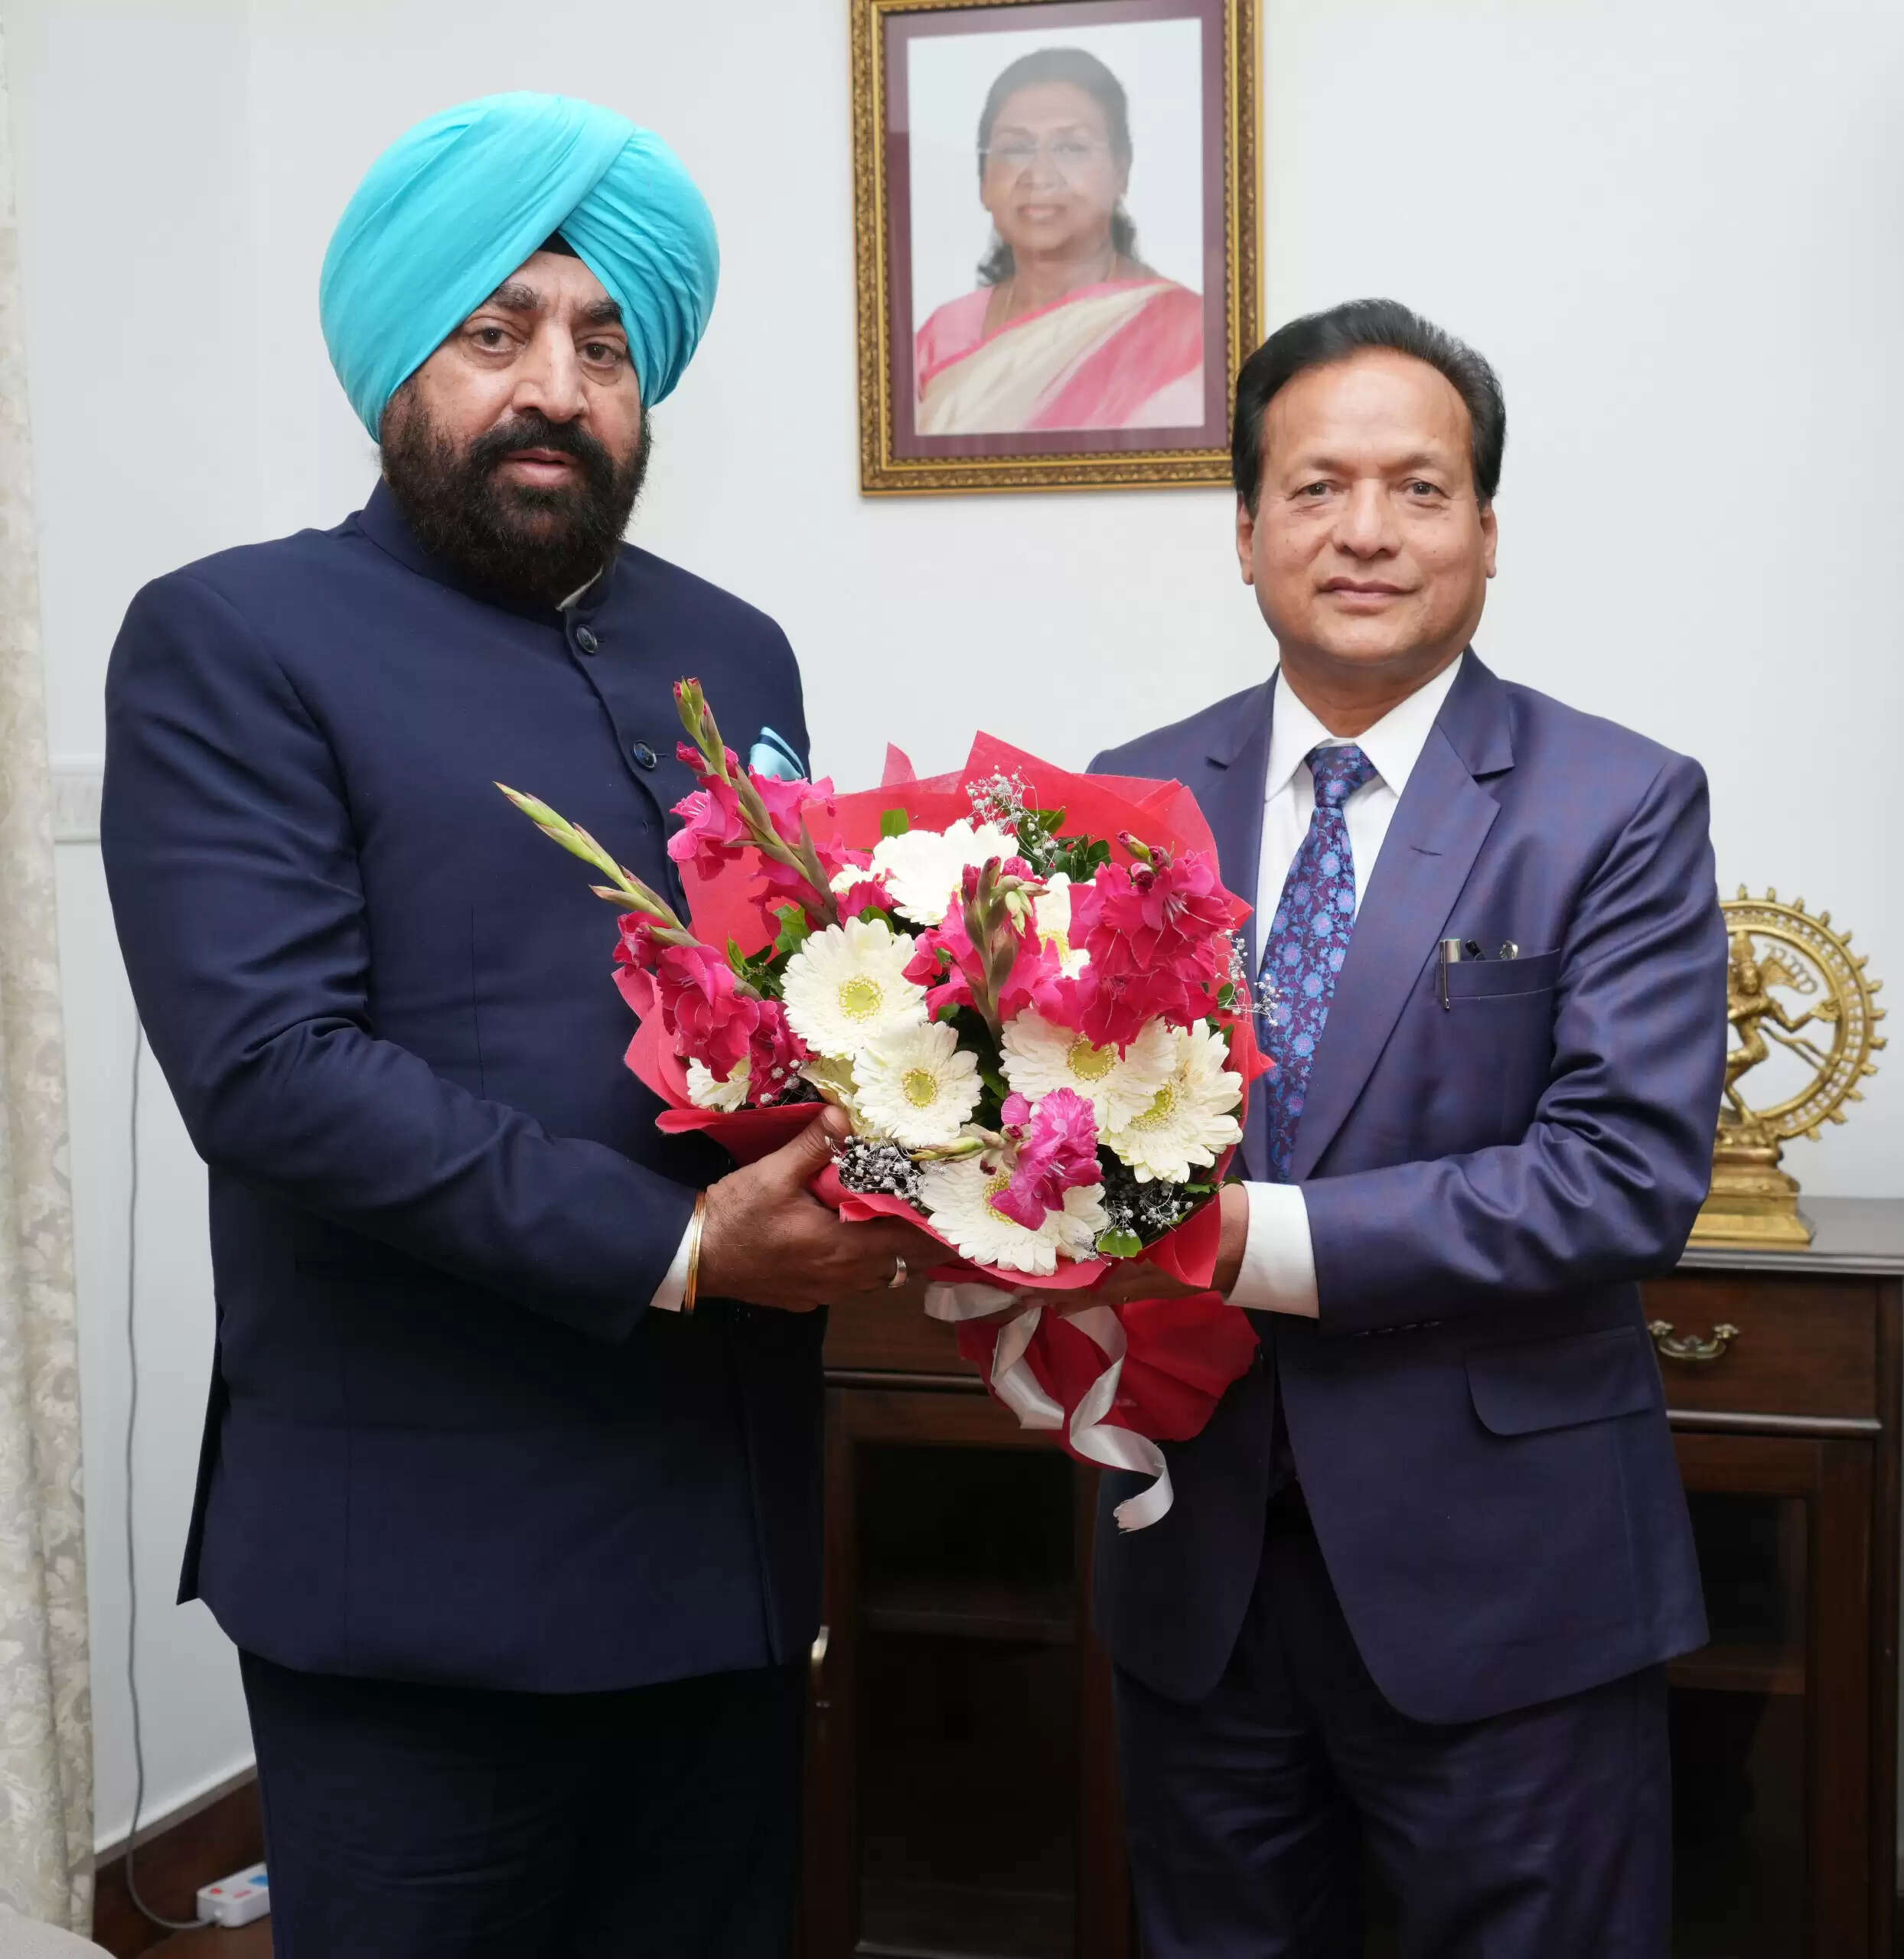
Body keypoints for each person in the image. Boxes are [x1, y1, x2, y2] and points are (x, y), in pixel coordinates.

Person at [99, 91, 937, 1958]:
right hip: (420, 1580)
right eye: (496, 334)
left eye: (603, 343)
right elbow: (270, 1069)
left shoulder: (738, 645)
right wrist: (684, 1238)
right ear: (404, 363)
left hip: (716, 1552)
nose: (553, 385)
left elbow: (799, 1011)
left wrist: (931, 1155)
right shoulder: (237, 637)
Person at [1086, 298, 1727, 1955]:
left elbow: (1618, 1176)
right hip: (1196, 1574)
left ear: (1486, 531)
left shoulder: (1616, 803)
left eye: (1416, 487)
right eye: (1312, 486)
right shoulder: (1123, 801)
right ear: (1242, 529)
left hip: (1504, 1593)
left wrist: (1243, 1240)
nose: (1362, 530)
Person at [914, 46, 1204, 435]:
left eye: (1071, 147)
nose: (1040, 174)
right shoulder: (941, 337)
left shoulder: (1190, 332)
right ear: (984, 181)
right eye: (1016, 148)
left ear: (1122, 171)